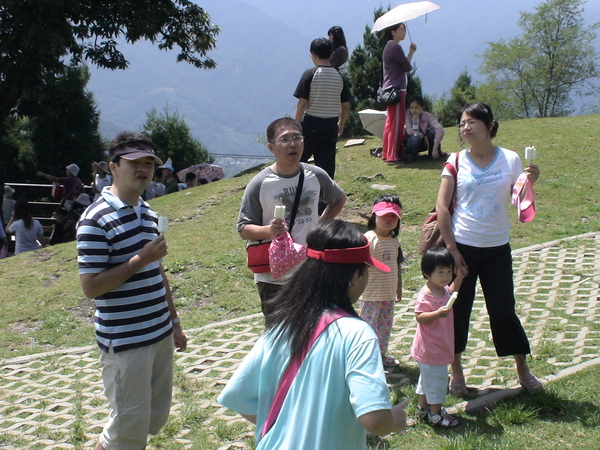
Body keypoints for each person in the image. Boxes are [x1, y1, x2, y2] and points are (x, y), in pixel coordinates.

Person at [219, 220, 409, 449]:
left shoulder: (283, 323)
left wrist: (289, 430)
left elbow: (240, 396)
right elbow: (375, 420)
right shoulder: (358, 334)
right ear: (355, 276)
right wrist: (395, 420)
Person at [76, 131, 188, 450]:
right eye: (133, 163)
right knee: (126, 429)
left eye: (148, 163)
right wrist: (141, 258)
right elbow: (90, 287)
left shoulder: (148, 212)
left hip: (159, 334)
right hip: (126, 342)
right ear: (113, 167)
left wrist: (175, 323)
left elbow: (158, 273)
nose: (143, 169)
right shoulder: (95, 219)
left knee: (146, 421)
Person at [435, 103, 542, 396]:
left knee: (504, 311)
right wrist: (454, 251)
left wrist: (529, 182)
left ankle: (522, 369)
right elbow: (442, 207)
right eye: (462, 124)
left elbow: (516, 199)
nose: (465, 128)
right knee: (457, 311)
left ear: (490, 125)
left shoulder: (510, 159)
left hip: (497, 248)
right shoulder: (455, 161)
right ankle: (456, 373)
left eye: (472, 122)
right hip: (463, 248)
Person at [237, 117, 346, 316]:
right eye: (285, 139)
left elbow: (338, 199)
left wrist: (320, 226)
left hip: (309, 270)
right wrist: (269, 230)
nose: (293, 144)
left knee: (310, 329)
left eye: (297, 137)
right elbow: (244, 228)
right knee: (278, 333)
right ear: (271, 147)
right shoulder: (260, 182)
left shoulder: (315, 175)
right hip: (273, 276)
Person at [411, 247, 465, 428]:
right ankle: (436, 415)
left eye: (448, 271)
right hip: (431, 347)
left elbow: (451, 290)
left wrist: (459, 278)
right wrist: (437, 314)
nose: (445, 276)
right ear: (427, 273)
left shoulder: (443, 290)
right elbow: (419, 317)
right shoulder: (426, 295)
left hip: (439, 344)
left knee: (426, 380)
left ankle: (422, 408)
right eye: (440, 272)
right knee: (438, 382)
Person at [294, 37, 351, 180]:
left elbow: (302, 103)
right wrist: (341, 123)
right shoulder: (339, 77)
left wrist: (295, 124)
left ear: (313, 54)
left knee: (298, 161)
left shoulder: (310, 74)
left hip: (311, 124)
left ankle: (296, 191)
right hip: (331, 125)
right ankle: (325, 199)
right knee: (326, 167)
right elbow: (345, 105)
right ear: (331, 53)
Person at [359, 194, 404, 367]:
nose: (389, 219)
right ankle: (365, 358)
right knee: (368, 327)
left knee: (384, 328)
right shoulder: (368, 239)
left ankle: (381, 355)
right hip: (370, 294)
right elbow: (360, 265)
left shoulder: (394, 241)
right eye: (384, 215)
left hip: (388, 294)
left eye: (393, 216)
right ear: (374, 216)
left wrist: (398, 287)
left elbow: (396, 265)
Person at [381, 23, 417, 163]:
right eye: (401, 29)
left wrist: (410, 53)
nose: (404, 32)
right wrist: (410, 55)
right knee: (397, 123)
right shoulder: (395, 47)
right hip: (396, 89)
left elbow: (404, 68)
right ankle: (393, 155)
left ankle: (387, 152)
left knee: (390, 123)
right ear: (393, 31)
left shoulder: (389, 46)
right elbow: (407, 67)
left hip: (390, 89)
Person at [404, 94, 446, 160]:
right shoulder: (408, 114)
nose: (414, 110)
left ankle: (435, 152)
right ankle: (411, 155)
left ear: (422, 107)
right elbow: (410, 131)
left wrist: (435, 148)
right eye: (411, 108)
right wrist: (423, 136)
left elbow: (439, 129)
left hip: (426, 143)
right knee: (415, 138)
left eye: (416, 108)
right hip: (412, 141)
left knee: (432, 132)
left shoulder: (427, 115)